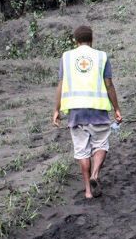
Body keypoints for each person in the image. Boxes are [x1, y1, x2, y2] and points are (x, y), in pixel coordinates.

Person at [52, 26, 123, 199]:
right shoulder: (101, 56)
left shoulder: (66, 57)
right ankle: (95, 174)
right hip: (97, 109)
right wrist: (116, 108)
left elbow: (61, 85)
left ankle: (88, 191)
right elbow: (109, 84)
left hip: (76, 112)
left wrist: (56, 109)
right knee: (101, 145)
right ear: (92, 39)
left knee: (81, 151)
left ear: (75, 41)